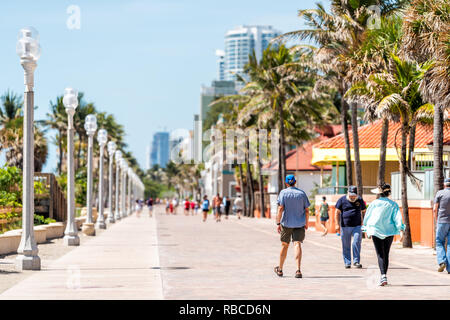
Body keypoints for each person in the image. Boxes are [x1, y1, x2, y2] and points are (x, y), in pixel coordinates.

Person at [362, 183, 405, 286]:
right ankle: (384, 275)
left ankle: (383, 276)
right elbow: (398, 219)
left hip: (375, 231)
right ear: (388, 193)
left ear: (379, 193)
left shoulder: (374, 203)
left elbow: (367, 217)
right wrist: (401, 231)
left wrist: (366, 230)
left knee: (380, 254)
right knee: (386, 253)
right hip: (389, 232)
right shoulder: (393, 204)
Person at [274, 175, 310, 279]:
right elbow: (307, 210)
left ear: (286, 183)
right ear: (295, 182)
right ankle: (298, 270)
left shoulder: (283, 193)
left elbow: (280, 208)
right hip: (299, 224)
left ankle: (280, 269)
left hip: (286, 223)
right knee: (297, 244)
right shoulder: (302, 193)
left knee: (284, 245)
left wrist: (278, 222)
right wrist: (306, 222)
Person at [335, 186, 366, 269]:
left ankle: (356, 261)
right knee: (346, 245)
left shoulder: (359, 200)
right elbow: (337, 212)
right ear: (348, 193)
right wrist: (337, 224)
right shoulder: (342, 200)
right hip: (345, 226)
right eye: (351, 195)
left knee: (356, 242)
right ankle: (347, 262)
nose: (352, 197)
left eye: (354, 195)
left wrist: (364, 222)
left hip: (357, 226)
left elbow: (363, 211)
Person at [433, 178, 450, 274]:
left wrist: (436, 220)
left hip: (442, 221)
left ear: (444, 185)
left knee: (439, 242)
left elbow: (435, 209)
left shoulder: (440, 193)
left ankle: (442, 261)